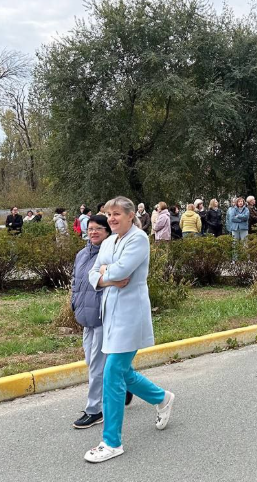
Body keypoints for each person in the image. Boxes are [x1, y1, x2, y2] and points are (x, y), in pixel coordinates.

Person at [85, 197, 175, 463]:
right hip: (111, 312)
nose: (111, 219)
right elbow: (94, 273)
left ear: (130, 215)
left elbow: (124, 270)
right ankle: (162, 398)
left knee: (112, 372)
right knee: (123, 371)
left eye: (116, 214)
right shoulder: (110, 241)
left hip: (130, 315)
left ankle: (111, 441)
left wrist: (106, 272)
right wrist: (106, 276)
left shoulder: (139, 239)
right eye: (108, 214)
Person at [70, 215, 133, 429]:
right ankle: (123, 384)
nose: (93, 232)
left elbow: (121, 281)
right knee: (92, 362)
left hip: (103, 317)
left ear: (108, 232)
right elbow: (76, 282)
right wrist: (74, 304)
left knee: (96, 366)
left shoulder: (111, 254)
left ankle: (94, 410)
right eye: (90, 228)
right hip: (85, 317)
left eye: (98, 228)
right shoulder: (81, 254)